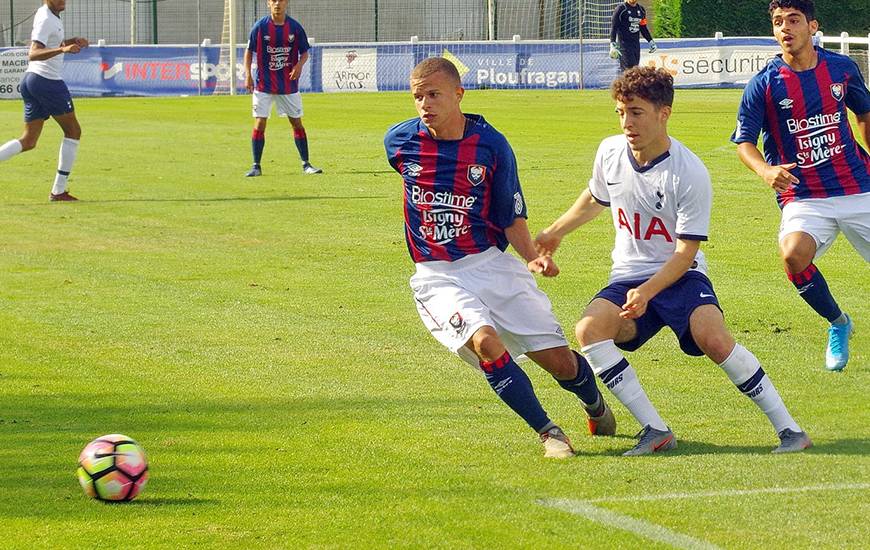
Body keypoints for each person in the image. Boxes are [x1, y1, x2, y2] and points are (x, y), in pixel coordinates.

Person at [536, 67, 811, 455]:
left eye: (636, 112)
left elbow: (686, 253)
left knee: (714, 339)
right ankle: (655, 430)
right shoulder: (610, 152)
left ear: (664, 113)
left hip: (680, 277)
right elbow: (595, 198)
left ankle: (790, 430)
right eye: (621, 112)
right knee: (589, 330)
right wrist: (555, 232)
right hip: (629, 278)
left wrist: (647, 292)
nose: (627, 122)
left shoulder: (689, 171)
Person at [384, 57, 615, 459]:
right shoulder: (400, 142)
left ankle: (594, 404)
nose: (425, 104)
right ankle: (550, 433)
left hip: (491, 264)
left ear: (459, 94)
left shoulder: (491, 145)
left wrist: (532, 258)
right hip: (437, 276)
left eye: (434, 94)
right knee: (485, 342)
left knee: (559, 363)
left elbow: (511, 217)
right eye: (417, 96)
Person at [731, 0, 869, 372]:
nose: (785, 28)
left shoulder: (841, 68)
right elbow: (745, 142)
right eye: (778, 22)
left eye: (793, 20)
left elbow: (864, 113)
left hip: (858, 185)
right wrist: (764, 171)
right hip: (804, 194)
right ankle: (839, 323)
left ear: (812, 26)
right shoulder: (764, 83)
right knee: (793, 256)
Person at [0, 0, 88, 201]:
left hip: (32, 81)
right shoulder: (46, 18)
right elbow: (33, 53)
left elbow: (50, 44)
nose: (63, 0)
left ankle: (58, 191)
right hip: (47, 82)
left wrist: (69, 42)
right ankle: (58, 190)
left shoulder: (49, 14)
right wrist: (62, 50)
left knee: (29, 141)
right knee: (73, 132)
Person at [243, 0, 321, 177]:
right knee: (260, 122)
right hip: (264, 84)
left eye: (281, 0)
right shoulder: (260, 27)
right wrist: (247, 74)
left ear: (286, 3)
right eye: (273, 1)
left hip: (288, 85)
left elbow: (305, 52)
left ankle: (306, 164)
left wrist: (299, 65)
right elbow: (249, 51)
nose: (277, 4)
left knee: (296, 122)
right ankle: (256, 166)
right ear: (268, 4)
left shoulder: (294, 27)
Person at [609, 0, 657, 73]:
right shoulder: (621, 9)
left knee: (635, 68)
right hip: (624, 45)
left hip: (636, 45)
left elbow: (643, 28)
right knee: (629, 70)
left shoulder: (641, 10)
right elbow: (614, 27)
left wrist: (650, 41)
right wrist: (612, 44)